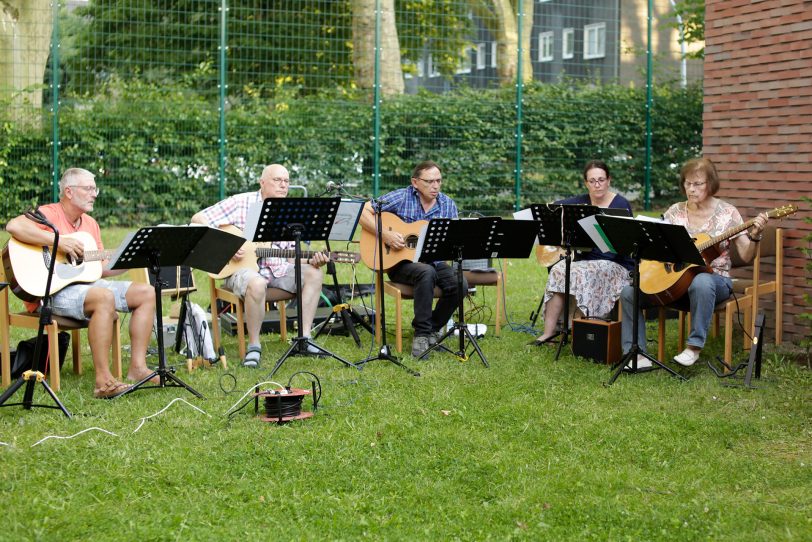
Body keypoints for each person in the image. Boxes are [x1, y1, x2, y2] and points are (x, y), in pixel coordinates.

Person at [5, 168, 157, 399]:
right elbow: (14, 226)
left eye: (95, 188)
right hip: (50, 291)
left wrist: (132, 258)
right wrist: (59, 242)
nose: (94, 194)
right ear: (68, 191)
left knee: (146, 292)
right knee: (103, 297)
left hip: (86, 287)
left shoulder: (90, 224)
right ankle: (103, 382)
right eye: (88, 188)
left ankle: (137, 368)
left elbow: (101, 268)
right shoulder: (49, 214)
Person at [620, 157, 768, 368]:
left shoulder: (728, 213)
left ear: (711, 184)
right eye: (687, 183)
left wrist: (755, 236)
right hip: (676, 283)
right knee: (629, 293)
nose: (691, 189)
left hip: (716, 282)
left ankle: (694, 347)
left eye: (697, 184)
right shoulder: (675, 211)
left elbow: (745, 256)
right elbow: (660, 246)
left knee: (702, 281)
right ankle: (637, 355)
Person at [191, 164, 329, 367]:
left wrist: (311, 260)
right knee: (257, 283)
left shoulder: (290, 211)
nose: (283, 186)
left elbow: (291, 259)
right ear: (262, 182)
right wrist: (225, 246)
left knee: (314, 274)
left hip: (278, 270)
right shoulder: (241, 202)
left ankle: (304, 339)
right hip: (240, 273)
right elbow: (198, 219)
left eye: (286, 181)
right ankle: (254, 346)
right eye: (277, 180)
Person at [358, 160, 466, 357]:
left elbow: (450, 242)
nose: (435, 186)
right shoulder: (402, 196)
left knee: (460, 284)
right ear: (415, 182)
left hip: (433, 261)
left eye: (439, 181)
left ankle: (431, 328)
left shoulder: (448, 205)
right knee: (426, 272)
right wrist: (385, 235)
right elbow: (363, 211)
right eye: (429, 181)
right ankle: (422, 335)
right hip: (399, 263)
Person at [531, 160, 634, 347]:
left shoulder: (621, 203)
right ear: (586, 183)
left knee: (584, 273)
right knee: (559, 269)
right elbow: (552, 208)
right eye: (592, 181)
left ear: (609, 180)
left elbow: (625, 244)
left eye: (601, 180)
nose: (597, 185)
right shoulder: (580, 201)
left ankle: (586, 334)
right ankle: (549, 332)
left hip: (615, 262)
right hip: (584, 260)